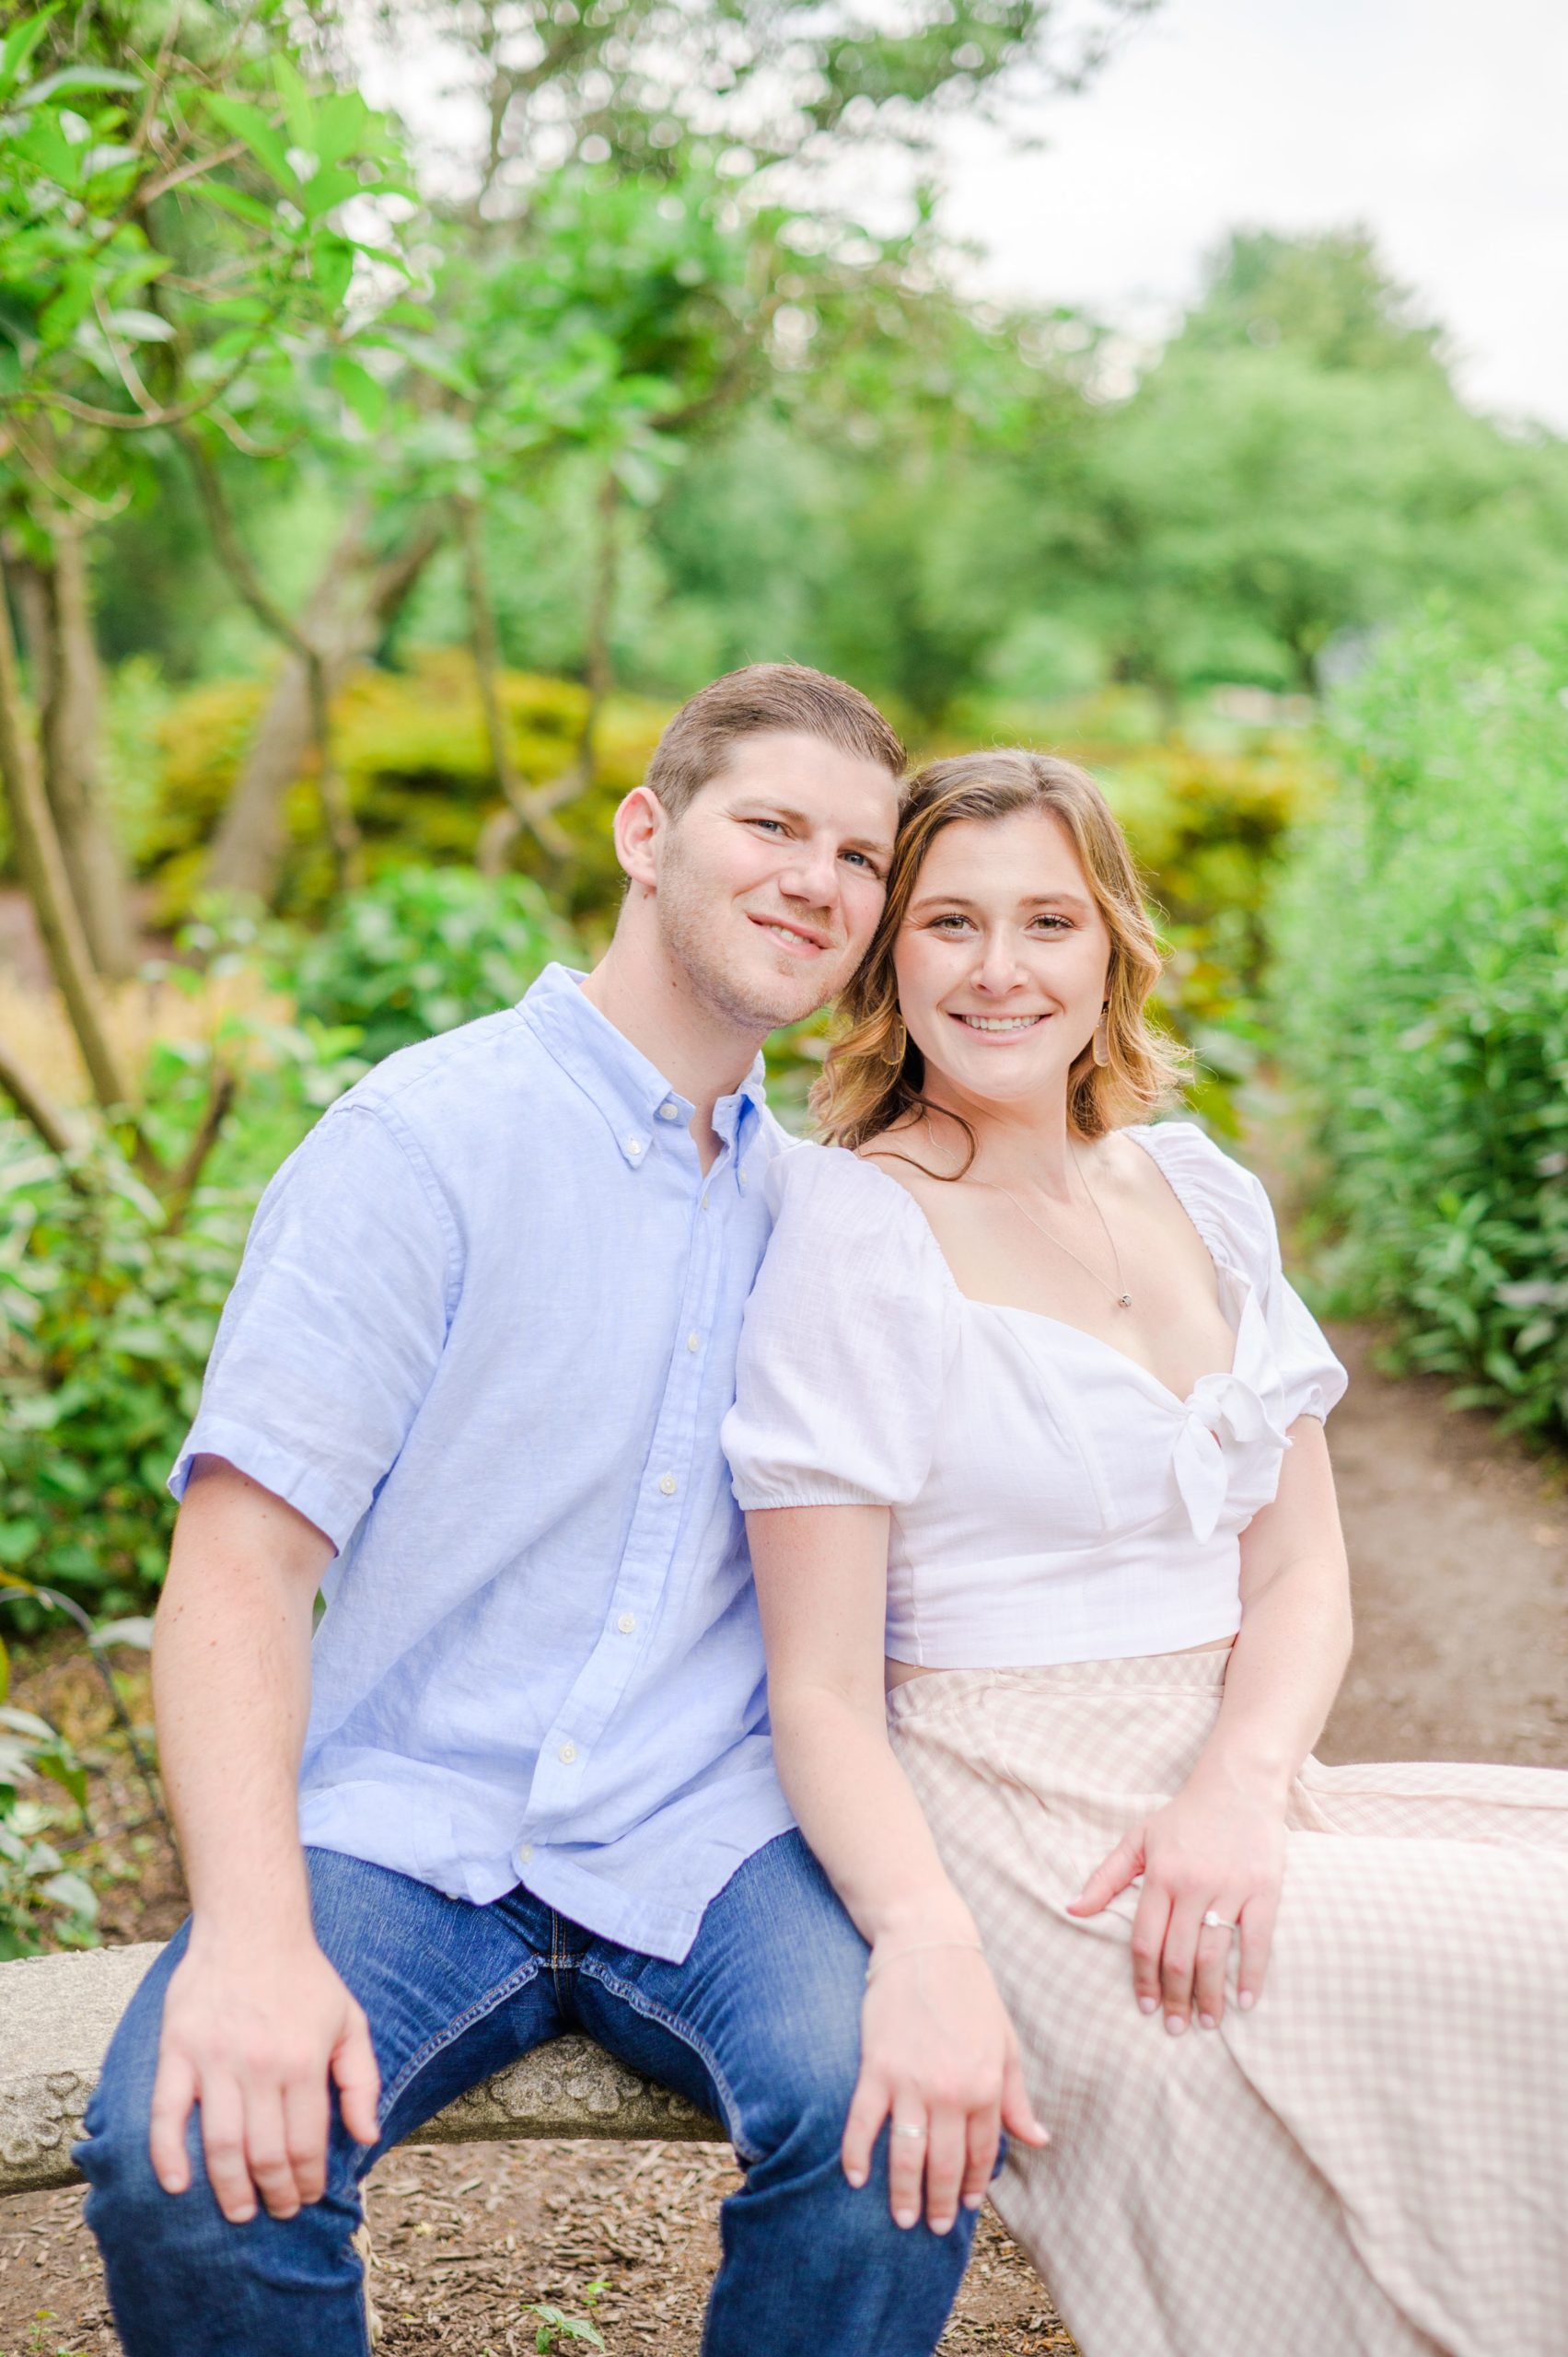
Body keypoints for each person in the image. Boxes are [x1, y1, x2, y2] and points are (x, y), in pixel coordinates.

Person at [76, 665, 1019, 2357]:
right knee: (192, 2160)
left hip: (711, 1831)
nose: (822, 879)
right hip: (409, 1825)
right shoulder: (421, 1147)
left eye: (864, 859)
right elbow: (240, 1562)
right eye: (774, 825)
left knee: (897, 2137)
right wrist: (250, 1936)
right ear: (646, 834)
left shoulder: (830, 1216)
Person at [724, 748, 1568, 2357]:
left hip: (1230, 1781)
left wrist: (1243, 1787)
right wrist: (928, 1942)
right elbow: (821, 1693)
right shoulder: (856, 1232)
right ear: (887, 954)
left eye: (1048, 920)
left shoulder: (1197, 1186)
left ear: (1111, 944)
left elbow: (1304, 1570)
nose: (999, 970)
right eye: (950, 922)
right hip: (1020, 1816)